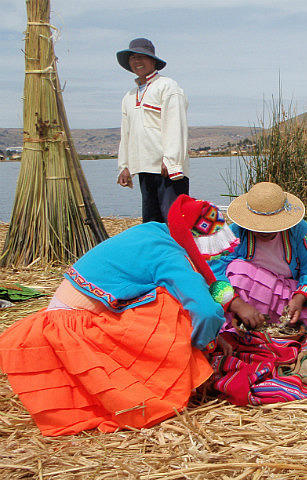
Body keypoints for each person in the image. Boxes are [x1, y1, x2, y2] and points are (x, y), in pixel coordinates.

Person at [0, 195, 258, 436]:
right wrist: (206, 344)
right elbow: (204, 310)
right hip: (75, 325)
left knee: (174, 295)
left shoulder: (153, 231)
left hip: (62, 312)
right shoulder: (170, 255)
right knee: (171, 305)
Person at [209, 182, 307, 329]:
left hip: (287, 294)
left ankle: (279, 320)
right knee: (237, 271)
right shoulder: (235, 233)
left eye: (270, 225)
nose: (264, 231)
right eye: (257, 225)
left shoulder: (300, 231)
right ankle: (250, 319)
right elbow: (213, 271)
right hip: (247, 297)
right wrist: (237, 305)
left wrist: (299, 298)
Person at [116, 38, 189, 223]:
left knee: (174, 221)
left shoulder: (167, 86)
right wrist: (124, 166)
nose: (137, 61)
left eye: (142, 57)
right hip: (144, 166)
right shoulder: (129, 96)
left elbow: (175, 124)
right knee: (151, 222)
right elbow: (126, 133)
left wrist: (171, 161)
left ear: (153, 61)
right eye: (133, 57)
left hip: (166, 169)